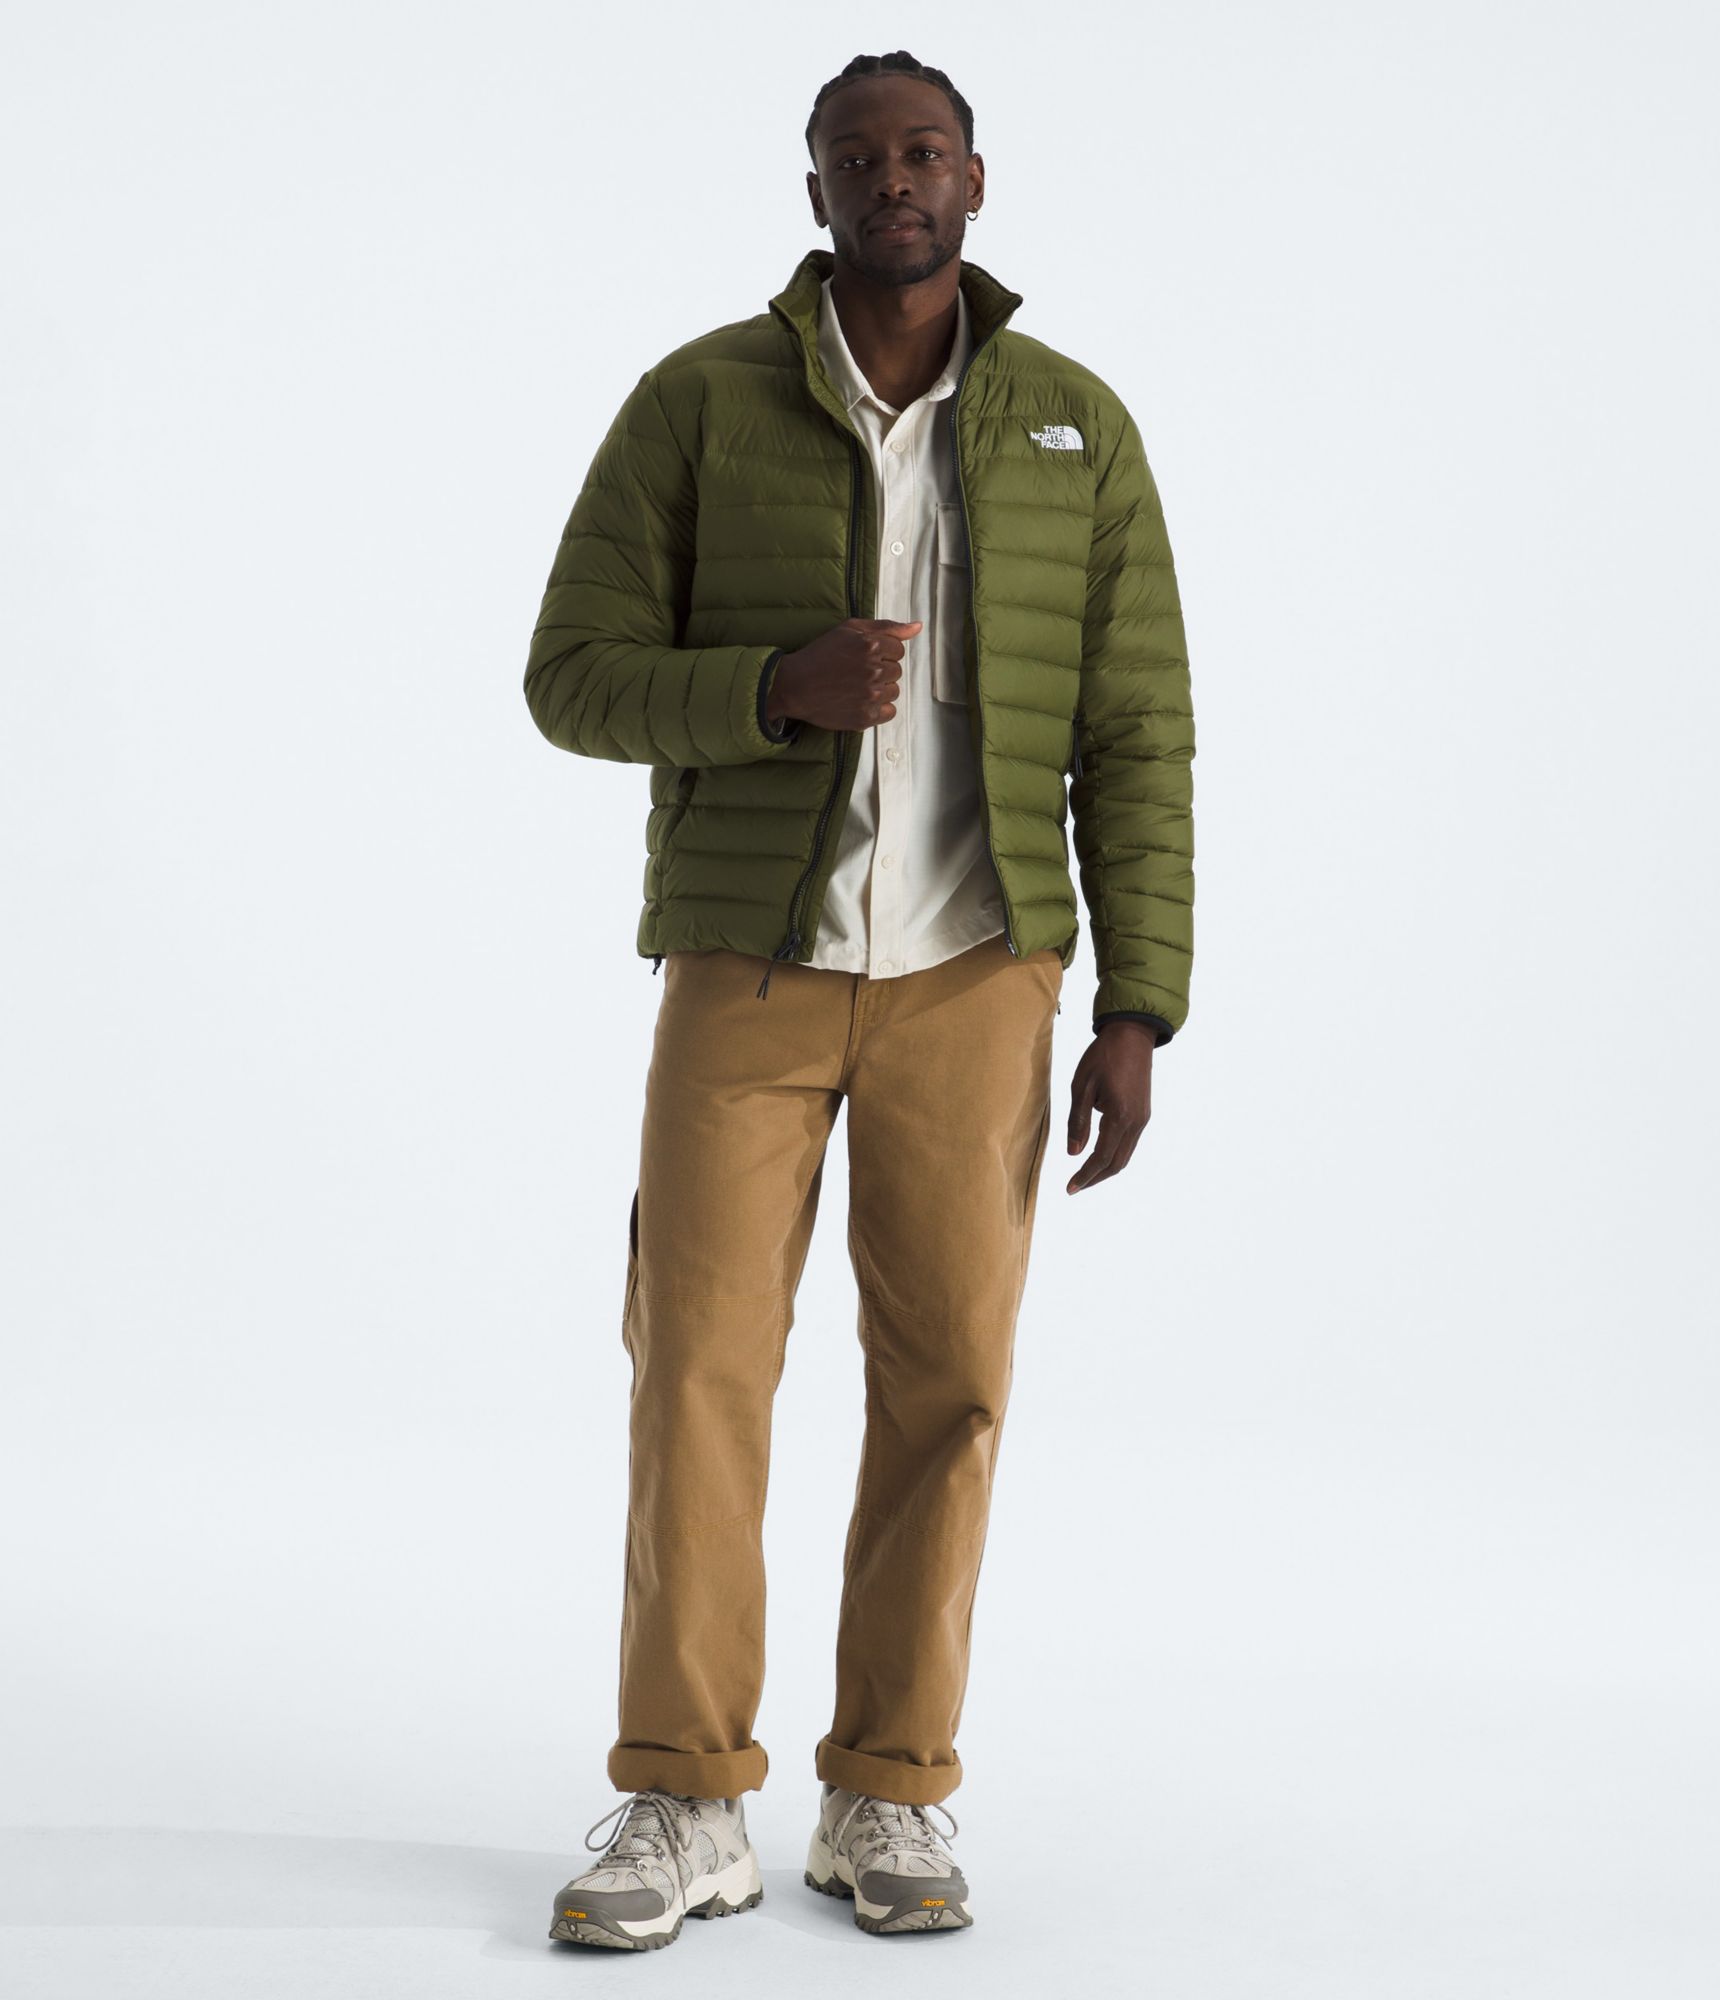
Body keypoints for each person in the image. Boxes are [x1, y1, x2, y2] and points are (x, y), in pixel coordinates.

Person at [525, 48, 1195, 1951]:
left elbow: (1141, 731)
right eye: (857, 154)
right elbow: (569, 676)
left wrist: (1137, 1000)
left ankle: (888, 1789)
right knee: (697, 1372)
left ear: (975, 181)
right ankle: (683, 1799)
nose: (894, 177)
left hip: (979, 977)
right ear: (813, 186)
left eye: (924, 150)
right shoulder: (699, 402)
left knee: (950, 1384)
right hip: (746, 971)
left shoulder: (1076, 427)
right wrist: (770, 690)